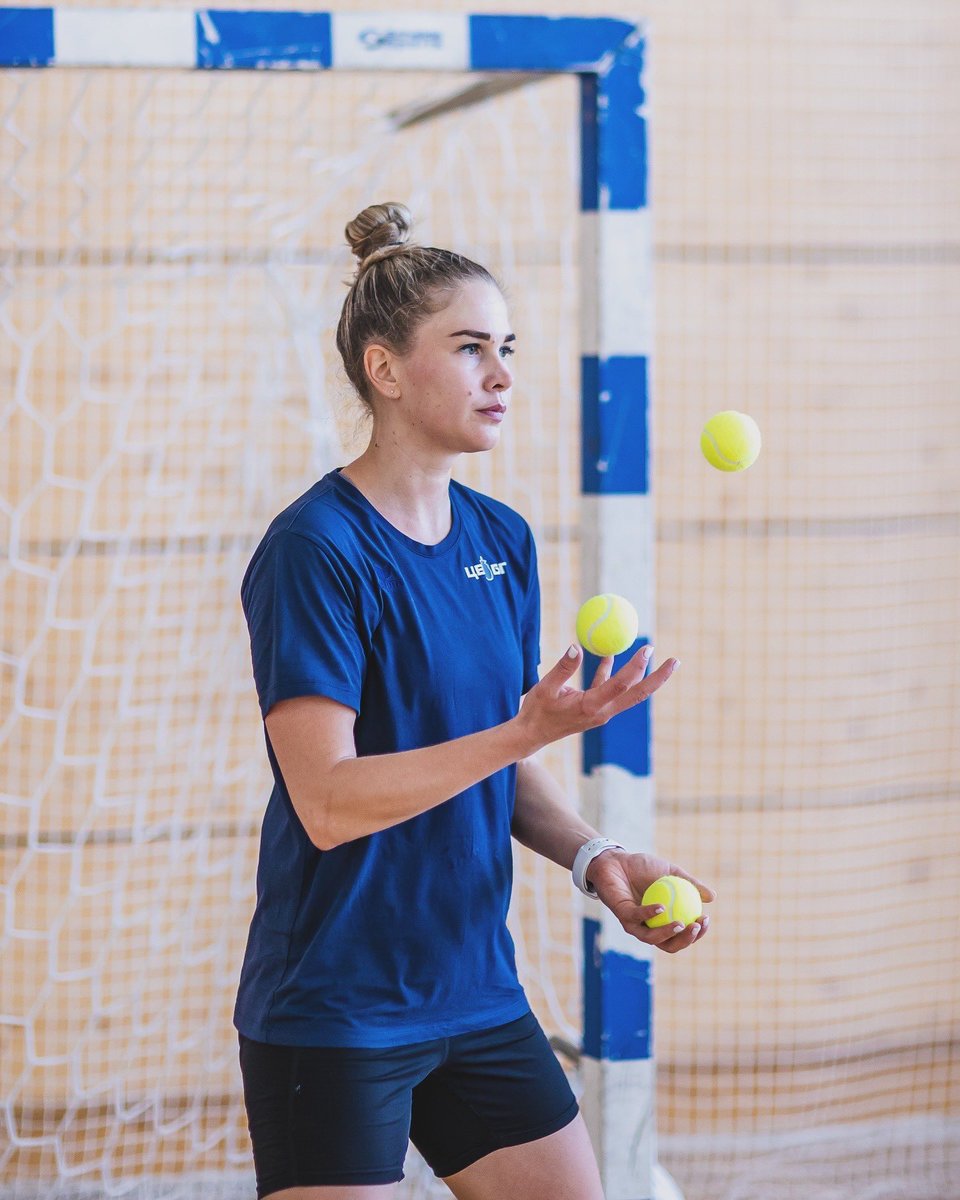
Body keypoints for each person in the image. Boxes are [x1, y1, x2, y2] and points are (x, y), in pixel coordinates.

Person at [234, 201, 714, 1200]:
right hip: (338, 1011)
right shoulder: (315, 551)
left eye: (506, 347)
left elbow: (498, 760)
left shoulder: (503, 537)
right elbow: (327, 802)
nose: (501, 374)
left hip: (475, 995)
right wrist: (521, 730)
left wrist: (595, 857)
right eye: (468, 348)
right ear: (385, 369)